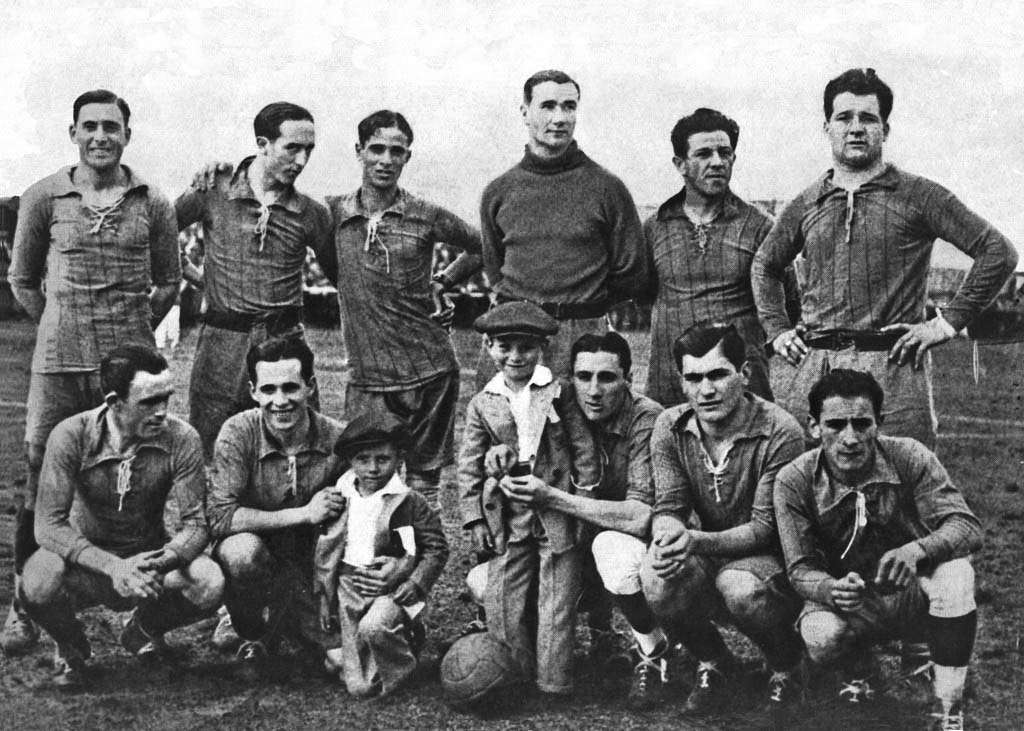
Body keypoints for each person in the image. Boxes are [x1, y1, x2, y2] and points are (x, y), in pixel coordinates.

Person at [752, 67, 1017, 448]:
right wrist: (777, 329)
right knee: (807, 490)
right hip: (816, 367)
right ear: (826, 127)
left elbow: (998, 252)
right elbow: (765, 265)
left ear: (885, 130)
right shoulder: (807, 202)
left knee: (899, 489)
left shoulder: (919, 195)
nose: (855, 128)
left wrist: (945, 324)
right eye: (844, 117)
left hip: (892, 369)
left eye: (868, 118)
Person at [4, 89, 180, 655]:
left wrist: (128, 337)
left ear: (128, 133)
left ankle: (143, 597)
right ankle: (21, 604)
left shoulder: (153, 202)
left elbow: (169, 283)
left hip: (126, 372)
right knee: (40, 474)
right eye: (89, 126)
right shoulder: (43, 197)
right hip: (58, 366)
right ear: (73, 132)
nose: (100, 136)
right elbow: (22, 282)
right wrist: (61, 325)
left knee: (140, 469)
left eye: (112, 126)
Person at [773, 369, 981, 730]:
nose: (850, 438)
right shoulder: (794, 478)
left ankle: (948, 708)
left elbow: (967, 526)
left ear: (879, 424)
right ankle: (859, 674)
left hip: (909, 594)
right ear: (813, 426)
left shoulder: (909, 456)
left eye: (861, 424)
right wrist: (830, 589)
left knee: (957, 574)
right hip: (847, 603)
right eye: (836, 425)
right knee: (821, 634)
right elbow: (799, 568)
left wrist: (917, 550)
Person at [18, 344, 222, 688]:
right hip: (86, 565)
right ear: (114, 403)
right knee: (37, 579)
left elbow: (196, 523)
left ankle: (144, 629)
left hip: (150, 564)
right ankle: (71, 645)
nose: (161, 412)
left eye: (166, 399)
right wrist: (113, 567)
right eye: (148, 402)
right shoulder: (71, 435)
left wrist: (162, 560)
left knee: (209, 580)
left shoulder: (182, 438)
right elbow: (48, 525)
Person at [494, 331, 669, 708]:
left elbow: (640, 517)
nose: (593, 389)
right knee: (484, 581)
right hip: (565, 543)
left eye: (606, 377)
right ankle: (558, 646)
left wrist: (554, 497)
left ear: (628, 378)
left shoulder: (647, 418)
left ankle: (654, 649)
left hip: (635, 544)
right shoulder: (557, 402)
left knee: (613, 552)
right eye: (583, 376)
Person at [641, 322, 806, 716]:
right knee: (655, 574)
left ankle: (787, 666)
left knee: (740, 587)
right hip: (713, 548)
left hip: (775, 559)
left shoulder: (780, 430)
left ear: (744, 374)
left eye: (718, 374)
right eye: (694, 378)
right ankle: (714, 663)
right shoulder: (670, 424)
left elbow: (765, 529)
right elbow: (670, 504)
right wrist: (667, 538)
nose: (707, 389)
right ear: (681, 383)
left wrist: (694, 541)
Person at [327, 109, 482, 506]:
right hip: (368, 376)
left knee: (423, 482)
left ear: (407, 157)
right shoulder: (331, 212)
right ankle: (372, 559)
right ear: (359, 151)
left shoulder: (425, 214)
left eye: (396, 151)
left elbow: (484, 246)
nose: (386, 160)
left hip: (429, 367)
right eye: (376, 149)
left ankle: (417, 559)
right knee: (366, 479)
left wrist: (443, 281)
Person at [175, 101, 334, 455]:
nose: (302, 161)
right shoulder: (214, 190)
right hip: (222, 346)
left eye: (309, 149)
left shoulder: (311, 213)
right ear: (262, 144)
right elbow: (156, 232)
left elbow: (347, 279)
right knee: (215, 453)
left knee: (299, 454)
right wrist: (193, 274)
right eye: (292, 148)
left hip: (286, 344)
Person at [457, 301, 598, 696]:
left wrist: (582, 503)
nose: (515, 356)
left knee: (558, 599)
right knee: (505, 598)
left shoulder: (559, 391)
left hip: (556, 508)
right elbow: (468, 464)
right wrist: (474, 519)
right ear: (488, 346)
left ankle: (554, 680)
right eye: (505, 346)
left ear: (542, 349)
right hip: (509, 513)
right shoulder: (483, 401)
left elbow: (583, 448)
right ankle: (509, 675)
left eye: (526, 347)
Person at [478, 69, 647, 383]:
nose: (560, 117)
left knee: (582, 430)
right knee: (505, 426)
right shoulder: (499, 191)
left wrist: (584, 307)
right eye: (548, 106)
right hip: (516, 334)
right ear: (525, 112)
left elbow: (632, 272)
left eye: (569, 106)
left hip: (582, 337)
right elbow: (494, 267)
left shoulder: (607, 188)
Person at [206, 336, 348, 669]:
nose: (280, 401)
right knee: (241, 552)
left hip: (312, 560)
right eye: (268, 390)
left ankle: (295, 617)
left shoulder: (337, 439)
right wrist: (303, 513)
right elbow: (220, 518)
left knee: (340, 660)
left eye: (290, 388)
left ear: (310, 386)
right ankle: (248, 621)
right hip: (258, 553)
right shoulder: (237, 432)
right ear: (253, 390)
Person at [643, 108, 778, 407]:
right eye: (704, 154)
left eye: (724, 152)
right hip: (671, 387)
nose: (717, 162)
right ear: (680, 164)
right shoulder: (655, 227)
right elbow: (642, 293)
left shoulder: (761, 227)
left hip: (741, 388)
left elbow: (784, 305)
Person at [315, 412, 449, 698]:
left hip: (392, 586)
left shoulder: (410, 500)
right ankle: (375, 651)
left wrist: (414, 583)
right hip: (349, 587)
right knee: (359, 687)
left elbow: (436, 548)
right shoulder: (340, 497)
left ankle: (405, 659)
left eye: (383, 459)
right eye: (363, 459)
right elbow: (327, 551)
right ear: (351, 461)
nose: (373, 468)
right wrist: (326, 597)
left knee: (374, 627)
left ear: (399, 458)